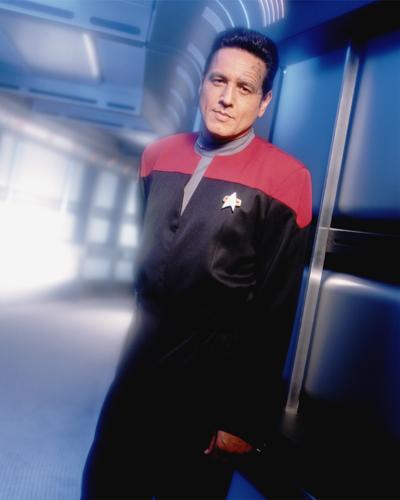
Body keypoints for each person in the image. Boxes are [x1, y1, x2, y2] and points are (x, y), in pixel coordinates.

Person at [81, 27, 312, 499]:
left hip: (210, 377)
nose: (227, 98)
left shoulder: (287, 179)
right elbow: (147, 252)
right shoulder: (157, 156)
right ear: (202, 83)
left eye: (244, 87)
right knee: (105, 484)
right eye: (218, 80)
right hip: (140, 359)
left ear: (264, 102)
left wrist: (243, 419)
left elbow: (275, 310)